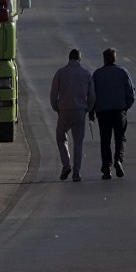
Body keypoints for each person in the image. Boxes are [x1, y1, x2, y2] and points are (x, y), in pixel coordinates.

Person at [50, 49, 95, 182]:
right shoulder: (86, 74)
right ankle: (76, 172)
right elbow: (92, 96)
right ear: (79, 59)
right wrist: (87, 109)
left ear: (69, 58)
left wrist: (56, 108)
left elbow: (53, 94)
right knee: (78, 143)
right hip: (80, 110)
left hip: (64, 110)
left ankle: (66, 164)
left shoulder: (61, 73)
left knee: (61, 138)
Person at [90, 48, 135, 179]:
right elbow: (131, 93)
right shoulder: (122, 72)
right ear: (115, 58)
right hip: (119, 111)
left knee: (105, 140)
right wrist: (126, 107)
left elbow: (92, 95)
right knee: (120, 138)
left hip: (103, 112)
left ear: (104, 59)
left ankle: (106, 167)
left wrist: (91, 111)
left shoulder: (97, 74)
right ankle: (118, 160)